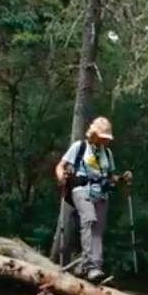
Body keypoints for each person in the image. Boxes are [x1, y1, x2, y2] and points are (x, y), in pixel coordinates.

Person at [55, 117, 131, 282]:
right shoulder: (80, 147)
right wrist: (62, 178)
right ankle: (91, 267)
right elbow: (60, 166)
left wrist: (121, 179)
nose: (105, 140)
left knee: (97, 231)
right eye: (103, 137)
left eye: (107, 138)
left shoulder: (107, 153)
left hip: (101, 194)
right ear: (94, 134)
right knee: (89, 220)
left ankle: (87, 266)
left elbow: (110, 176)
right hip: (81, 190)